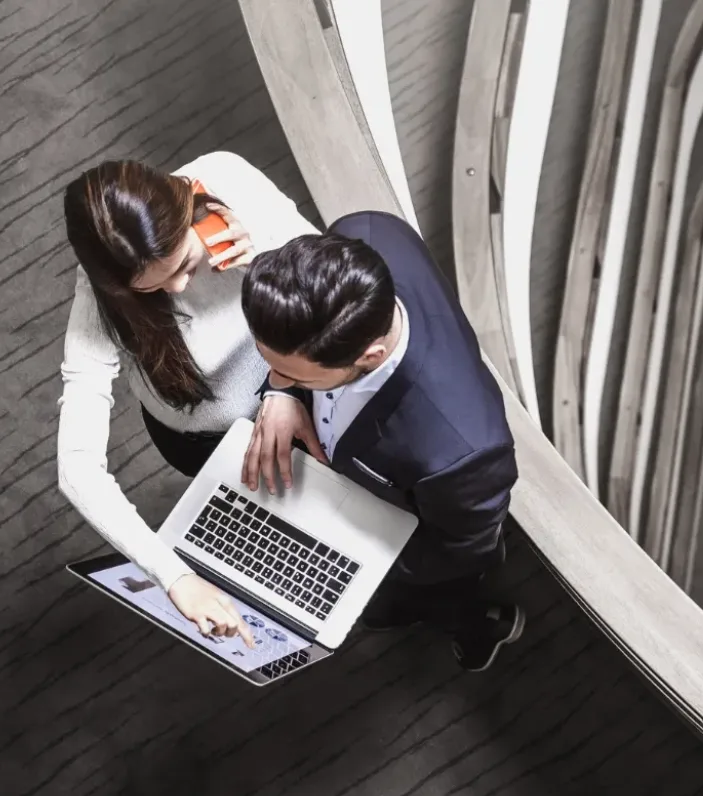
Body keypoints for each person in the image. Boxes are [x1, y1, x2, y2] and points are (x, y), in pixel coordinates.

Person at [57, 152, 323, 649]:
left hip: (299, 385)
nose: (178, 288)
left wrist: (269, 257)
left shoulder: (227, 178)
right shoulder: (101, 296)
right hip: (200, 439)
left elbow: (338, 282)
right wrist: (173, 577)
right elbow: (76, 466)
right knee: (274, 516)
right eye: (152, 288)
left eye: (181, 264)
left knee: (340, 500)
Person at [240, 210, 524, 672]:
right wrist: (283, 394)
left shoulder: (461, 450)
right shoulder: (363, 231)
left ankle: (482, 624)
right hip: (365, 488)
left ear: (370, 356)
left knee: (415, 601)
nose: (272, 377)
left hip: (411, 543)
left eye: (291, 374)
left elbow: (457, 548)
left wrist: (355, 564)